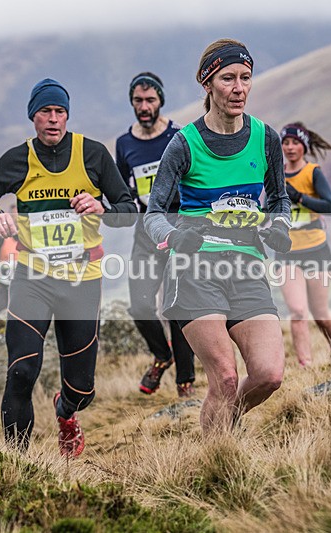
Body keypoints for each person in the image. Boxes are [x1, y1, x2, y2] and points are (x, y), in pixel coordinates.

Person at [0, 78, 136, 457]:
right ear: (33, 117)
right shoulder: (17, 159)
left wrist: (102, 209)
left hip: (81, 280)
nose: (54, 119)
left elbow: (128, 211)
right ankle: (18, 464)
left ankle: (66, 411)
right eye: (46, 111)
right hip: (33, 277)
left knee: (82, 389)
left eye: (60, 111)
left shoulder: (92, 154)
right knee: (21, 371)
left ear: (67, 116)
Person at [144, 39, 293, 434]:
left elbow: (280, 199)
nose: (239, 88)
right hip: (195, 268)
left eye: (246, 77)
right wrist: (174, 238)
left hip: (247, 266)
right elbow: (153, 214)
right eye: (228, 78)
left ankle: (223, 424)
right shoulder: (184, 144)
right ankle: (217, 457)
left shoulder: (265, 138)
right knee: (225, 378)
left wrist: (280, 226)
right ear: (207, 83)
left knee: (269, 375)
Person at [115, 72, 196, 397]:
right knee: (140, 305)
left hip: (178, 228)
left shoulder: (180, 136)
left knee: (177, 307)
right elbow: (121, 191)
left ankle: (185, 383)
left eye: (150, 100)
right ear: (132, 103)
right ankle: (162, 356)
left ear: (160, 100)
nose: (144, 106)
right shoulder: (124, 144)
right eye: (138, 100)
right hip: (146, 231)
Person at [276, 122, 331, 367]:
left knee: (320, 314)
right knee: (297, 311)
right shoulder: (276, 175)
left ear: (303, 146)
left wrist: (299, 197)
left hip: (316, 250)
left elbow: (330, 207)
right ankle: (306, 365)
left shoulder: (313, 172)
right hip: (286, 252)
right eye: (285, 142)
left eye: (295, 142)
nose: (290, 147)